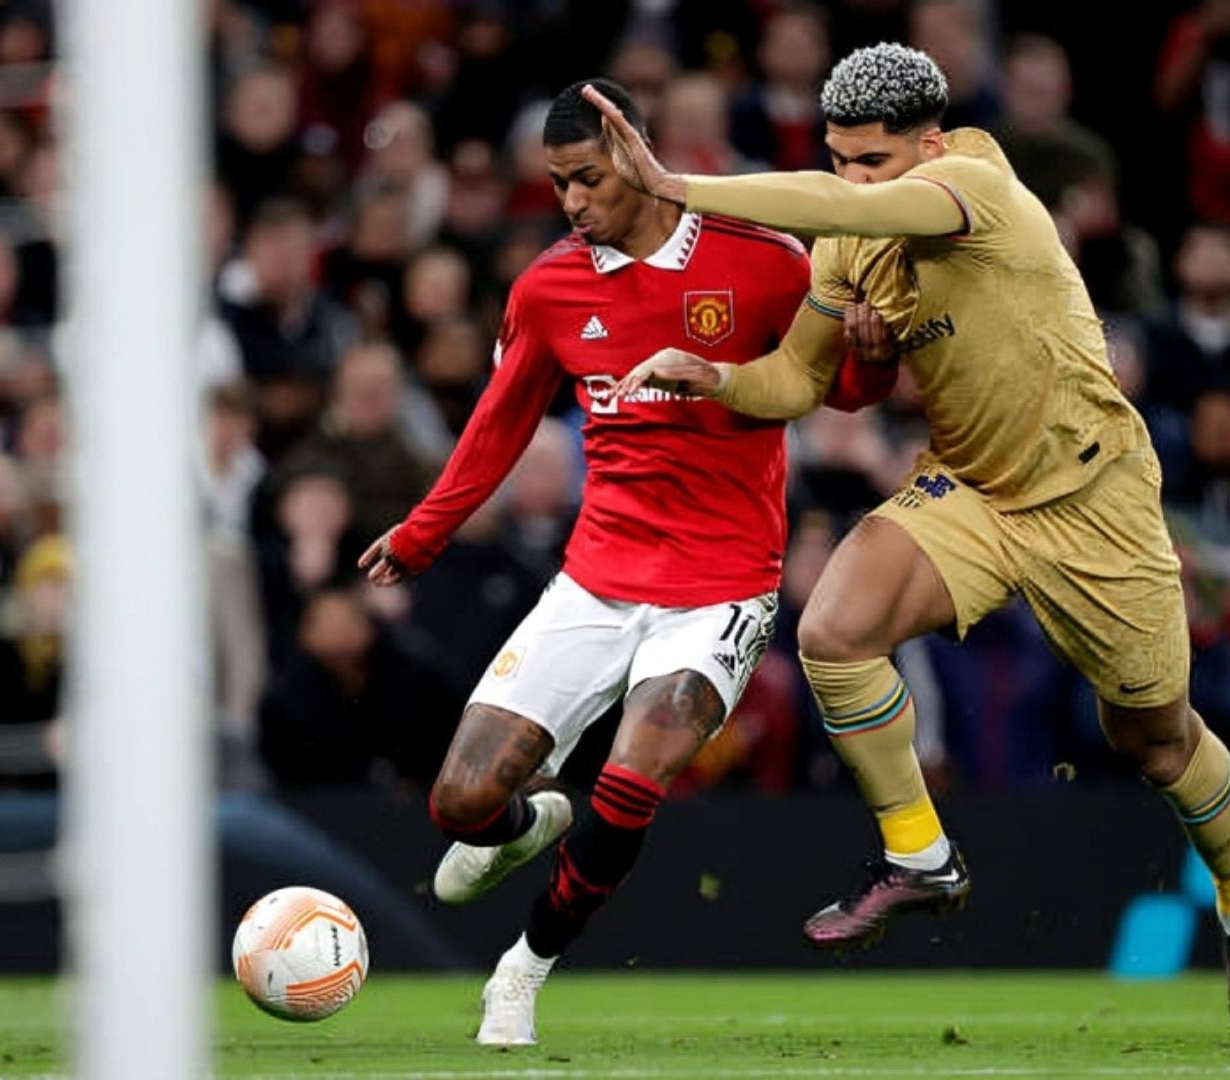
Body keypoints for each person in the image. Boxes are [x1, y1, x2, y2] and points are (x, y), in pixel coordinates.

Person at [593, 42, 1230, 1042]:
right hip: (969, 484)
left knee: (1152, 740)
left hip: (1088, 491)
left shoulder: (974, 184)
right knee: (832, 631)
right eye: (837, 157)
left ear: (929, 139)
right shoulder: (850, 229)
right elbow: (795, 379)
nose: (852, 180)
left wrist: (673, 187)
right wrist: (709, 376)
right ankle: (919, 854)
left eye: (872, 160)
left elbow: (846, 212)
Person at [356, 79, 892, 1047]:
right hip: (596, 578)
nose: (571, 204)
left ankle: (520, 970)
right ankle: (524, 828)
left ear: (635, 154)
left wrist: (871, 352)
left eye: (587, 180)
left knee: (634, 774)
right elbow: (498, 424)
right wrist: (423, 532)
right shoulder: (550, 287)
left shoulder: (762, 259)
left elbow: (837, 390)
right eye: (558, 185)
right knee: (460, 802)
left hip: (720, 585)